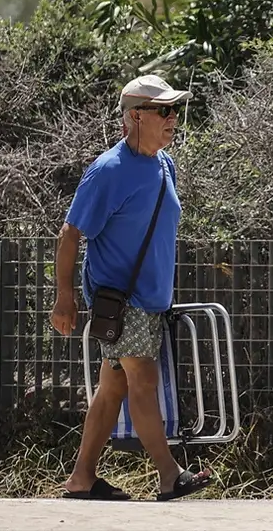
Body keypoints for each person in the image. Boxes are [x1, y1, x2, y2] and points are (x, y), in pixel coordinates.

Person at [50, 74, 213, 502]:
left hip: (150, 301)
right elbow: (69, 235)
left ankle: (82, 478)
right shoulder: (108, 171)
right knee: (143, 378)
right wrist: (64, 299)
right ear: (135, 117)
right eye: (164, 110)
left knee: (113, 388)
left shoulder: (164, 165)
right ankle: (169, 475)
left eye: (174, 110)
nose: (172, 117)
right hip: (124, 302)